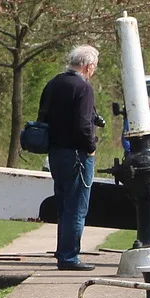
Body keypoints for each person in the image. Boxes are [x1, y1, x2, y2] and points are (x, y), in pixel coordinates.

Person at [40, 44, 100, 271]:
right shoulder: (83, 88)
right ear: (87, 66)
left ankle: (62, 252)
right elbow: (84, 125)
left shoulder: (53, 83)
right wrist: (91, 147)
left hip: (55, 153)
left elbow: (42, 117)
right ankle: (69, 256)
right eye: (93, 67)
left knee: (64, 204)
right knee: (77, 207)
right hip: (77, 155)